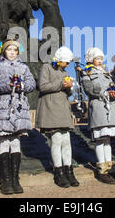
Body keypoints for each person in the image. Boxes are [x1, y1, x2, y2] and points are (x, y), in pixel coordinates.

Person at [0, 39, 36, 195]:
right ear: (3, 51)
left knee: (16, 141)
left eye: (15, 50)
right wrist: (6, 86)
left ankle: (15, 179)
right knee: (5, 140)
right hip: (3, 108)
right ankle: (6, 180)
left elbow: (32, 84)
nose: (12, 52)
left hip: (19, 108)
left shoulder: (24, 67)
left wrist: (22, 86)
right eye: (9, 49)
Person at [35, 46, 79, 188]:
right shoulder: (46, 68)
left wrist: (70, 87)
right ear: (59, 59)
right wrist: (61, 84)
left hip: (63, 108)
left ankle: (69, 170)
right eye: (66, 61)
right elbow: (42, 86)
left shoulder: (64, 71)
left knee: (66, 141)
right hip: (51, 107)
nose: (67, 65)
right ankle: (58, 171)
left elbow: (68, 93)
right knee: (56, 139)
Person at [81, 48, 115, 184]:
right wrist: (105, 93)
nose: (100, 61)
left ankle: (110, 168)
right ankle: (102, 169)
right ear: (90, 60)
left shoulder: (107, 73)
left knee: (108, 140)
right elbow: (90, 90)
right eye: (97, 58)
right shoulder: (86, 73)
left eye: (101, 58)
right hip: (99, 108)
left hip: (110, 109)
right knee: (100, 139)